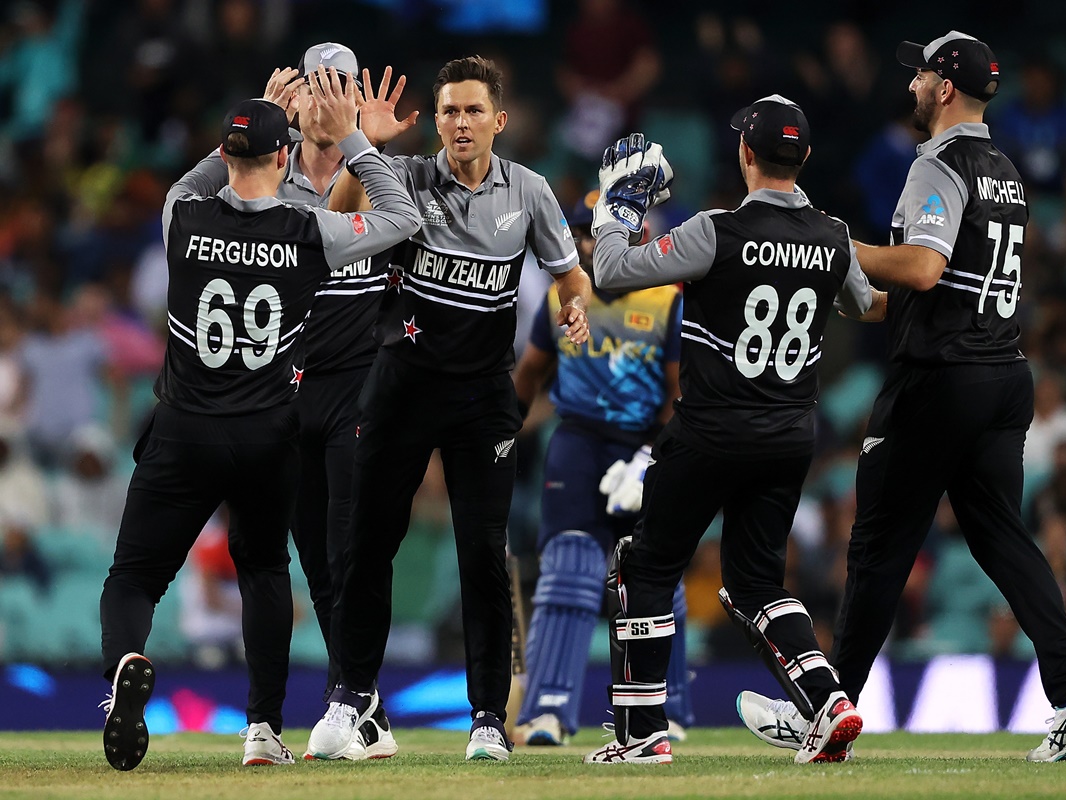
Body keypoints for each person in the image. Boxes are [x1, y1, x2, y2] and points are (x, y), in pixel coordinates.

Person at [738, 32, 1066, 764]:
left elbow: (919, 267)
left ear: (944, 87)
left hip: (939, 381)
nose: (911, 82)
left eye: (919, 71)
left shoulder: (938, 164)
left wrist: (828, 243)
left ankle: (828, 710)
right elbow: (937, 288)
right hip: (1002, 375)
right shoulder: (1005, 170)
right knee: (1003, 537)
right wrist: (853, 294)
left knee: (878, 550)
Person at [97, 74, 421, 771]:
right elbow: (400, 217)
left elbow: (194, 177)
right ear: (285, 159)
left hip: (184, 427)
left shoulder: (181, 215)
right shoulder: (310, 232)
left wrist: (262, 112)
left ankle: (126, 661)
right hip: (268, 434)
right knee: (266, 572)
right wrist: (358, 137)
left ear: (225, 150)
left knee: (132, 579)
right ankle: (262, 731)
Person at [580, 98, 886, 766]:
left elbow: (609, 272)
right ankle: (829, 700)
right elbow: (868, 306)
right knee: (758, 583)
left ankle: (641, 736)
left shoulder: (714, 230)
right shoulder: (833, 234)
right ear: (802, 157)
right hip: (787, 439)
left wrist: (617, 209)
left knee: (647, 565)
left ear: (745, 154)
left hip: (711, 431)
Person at [306, 56, 590, 763]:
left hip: (482, 402)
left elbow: (569, 273)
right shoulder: (402, 177)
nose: (460, 124)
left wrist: (574, 307)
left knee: (482, 560)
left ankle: (489, 718)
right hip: (399, 390)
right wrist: (361, 143)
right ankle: (351, 702)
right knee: (365, 548)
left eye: (472, 111)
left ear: (499, 119)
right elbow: (336, 214)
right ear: (436, 121)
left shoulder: (529, 191)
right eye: (448, 112)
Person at [510, 192, 692, 746]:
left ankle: (670, 710)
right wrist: (495, 440)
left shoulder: (666, 299)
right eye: (583, 234)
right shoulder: (559, 298)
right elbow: (529, 377)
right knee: (569, 566)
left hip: (643, 444)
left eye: (600, 234)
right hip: (578, 443)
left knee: (653, 575)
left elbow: (679, 394)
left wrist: (651, 457)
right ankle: (547, 712)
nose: (589, 244)